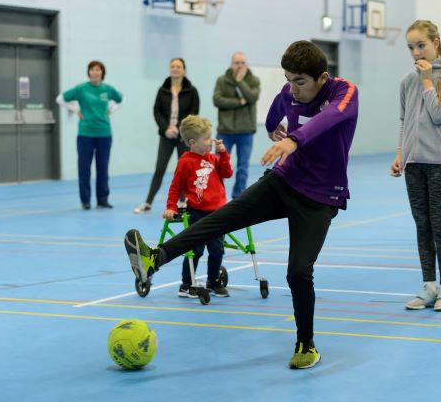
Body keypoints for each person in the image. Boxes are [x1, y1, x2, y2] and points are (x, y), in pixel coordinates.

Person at [124, 40, 358, 369]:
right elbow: (273, 116)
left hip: (321, 197)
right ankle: (154, 258)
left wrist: (294, 138)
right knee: (221, 218)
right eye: (288, 79)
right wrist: (275, 131)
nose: (292, 87)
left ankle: (306, 344)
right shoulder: (289, 92)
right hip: (284, 181)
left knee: (298, 272)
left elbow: (332, 116)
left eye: (299, 81)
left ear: (321, 77)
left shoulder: (343, 91)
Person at [390, 20, 441, 312]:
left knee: (439, 227)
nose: (416, 52)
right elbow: (405, 122)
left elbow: (439, 116)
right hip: (414, 165)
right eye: (411, 47)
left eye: (421, 45)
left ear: (436, 43)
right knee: (422, 226)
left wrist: (428, 81)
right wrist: (400, 154)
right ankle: (428, 285)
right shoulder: (406, 82)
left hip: (440, 164)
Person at [162, 115, 233, 298]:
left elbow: (227, 172)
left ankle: (213, 281)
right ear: (193, 142)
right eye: (207, 138)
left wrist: (223, 154)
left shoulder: (212, 158)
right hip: (198, 213)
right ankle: (186, 284)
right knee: (195, 250)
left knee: (217, 249)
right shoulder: (185, 161)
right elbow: (175, 186)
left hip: (218, 212)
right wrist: (171, 206)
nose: (211, 141)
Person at [134, 58, 200, 214]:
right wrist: (166, 129)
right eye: (173, 66)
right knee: (160, 168)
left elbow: (194, 111)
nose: (175, 69)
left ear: (184, 70)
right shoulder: (162, 90)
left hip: (184, 136)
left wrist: (178, 128)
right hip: (166, 136)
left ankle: (183, 202)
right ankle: (148, 201)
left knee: (183, 170)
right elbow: (157, 111)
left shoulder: (192, 91)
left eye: (178, 66)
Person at [56, 60, 123, 210]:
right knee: (84, 168)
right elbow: (60, 98)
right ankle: (85, 200)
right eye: (92, 69)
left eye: (98, 70)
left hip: (104, 134)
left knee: (103, 168)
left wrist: (112, 110)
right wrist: (75, 109)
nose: (95, 72)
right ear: (89, 72)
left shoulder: (108, 89)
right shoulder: (81, 89)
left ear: (102, 73)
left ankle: (103, 199)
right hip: (85, 134)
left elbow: (121, 99)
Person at [213, 52, 261, 198]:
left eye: (243, 63)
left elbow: (252, 98)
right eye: (237, 63)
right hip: (224, 132)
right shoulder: (222, 80)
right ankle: (215, 196)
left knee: (243, 168)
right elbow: (217, 100)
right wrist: (239, 103)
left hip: (245, 132)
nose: (240, 66)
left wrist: (240, 81)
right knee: (217, 165)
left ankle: (237, 197)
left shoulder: (253, 80)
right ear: (231, 64)